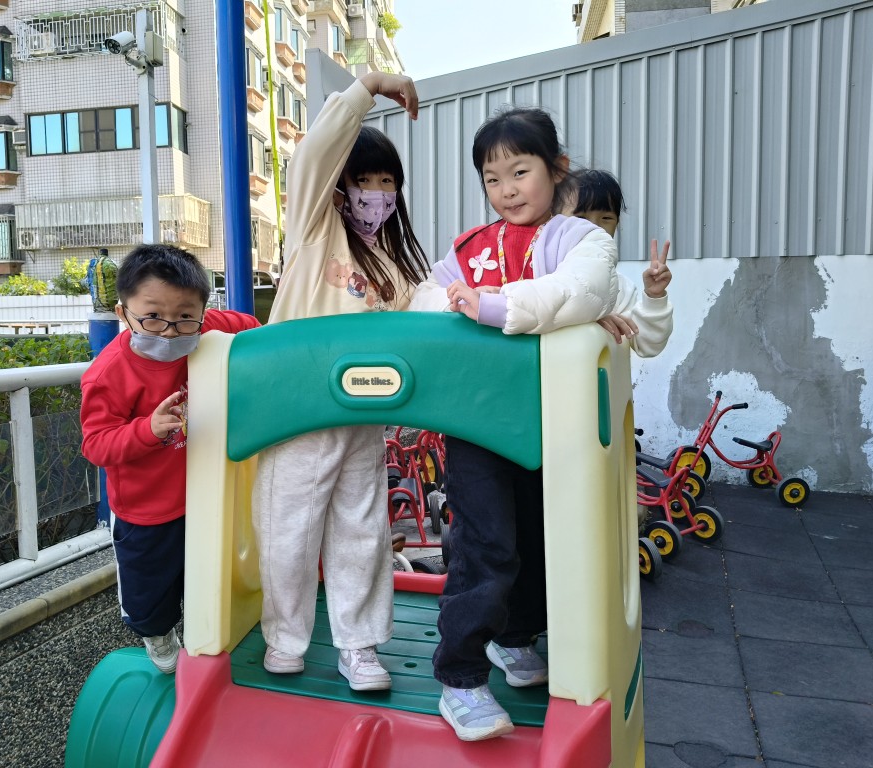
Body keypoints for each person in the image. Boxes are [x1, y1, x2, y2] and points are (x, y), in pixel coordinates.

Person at [408, 107, 620, 741]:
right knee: (485, 542)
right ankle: (460, 676)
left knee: (540, 536)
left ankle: (516, 637)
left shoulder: (579, 240)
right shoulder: (470, 248)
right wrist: (456, 304)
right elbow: (425, 299)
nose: (506, 190)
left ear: (557, 170)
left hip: (553, 418)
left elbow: (581, 291)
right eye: (492, 179)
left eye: (520, 172)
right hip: (477, 421)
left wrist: (490, 307)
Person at [252, 71, 430, 692]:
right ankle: (286, 638)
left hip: (360, 419)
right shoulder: (312, 230)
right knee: (288, 532)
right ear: (338, 187)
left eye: (388, 183)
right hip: (297, 414)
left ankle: (359, 646)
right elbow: (314, 153)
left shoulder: (394, 268)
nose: (376, 195)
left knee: (362, 532)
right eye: (364, 181)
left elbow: (428, 319)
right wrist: (369, 86)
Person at [80, 243, 259, 674]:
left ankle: (202, 629)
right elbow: (96, 445)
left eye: (184, 317)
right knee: (150, 590)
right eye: (153, 316)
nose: (169, 331)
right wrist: (147, 429)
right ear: (123, 313)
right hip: (147, 508)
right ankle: (157, 632)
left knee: (204, 577)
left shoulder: (202, 328)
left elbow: (252, 329)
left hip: (205, 495)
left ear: (201, 311)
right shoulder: (109, 374)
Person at [570, 168, 673, 355]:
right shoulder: (540, 273)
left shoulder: (619, 287)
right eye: (580, 218)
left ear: (617, 224)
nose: (593, 227)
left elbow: (647, 345)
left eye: (606, 218)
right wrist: (591, 318)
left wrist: (654, 297)